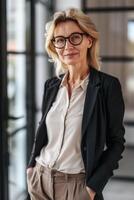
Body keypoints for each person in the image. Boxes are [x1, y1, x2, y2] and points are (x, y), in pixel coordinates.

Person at [26, 8, 125, 200]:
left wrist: (91, 188)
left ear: (89, 40)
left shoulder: (107, 86)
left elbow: (116, 144)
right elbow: (43, 130)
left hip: (77, 187)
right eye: (60, 40)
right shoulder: (51, 85)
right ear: (54, 46)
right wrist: (31, 168)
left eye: (75, 37)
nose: (67, 45)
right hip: (40, 179)